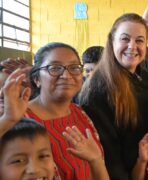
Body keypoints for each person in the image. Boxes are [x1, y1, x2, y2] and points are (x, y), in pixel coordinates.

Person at [79, 13, 148, 179]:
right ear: (112, 41)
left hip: (147, 167)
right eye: (125, 39)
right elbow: (108, 154)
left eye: (139, 40)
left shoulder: (141, 74)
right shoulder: (99, 88)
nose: (132, 46)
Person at [27, 42, 103, 179]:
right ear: (36, 78)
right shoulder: (21, 120)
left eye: (74, 67)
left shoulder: (80, 113)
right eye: (55, 68)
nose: (66, 76)